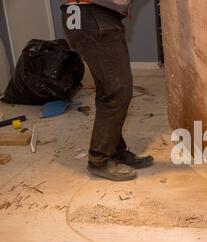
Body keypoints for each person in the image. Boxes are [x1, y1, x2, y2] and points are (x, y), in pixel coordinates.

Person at [60, 0, 153, 181]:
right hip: (92, 15)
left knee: (108, 89)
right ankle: (99, 159)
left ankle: (113, 150)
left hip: (91, 15)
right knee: (118, 90)